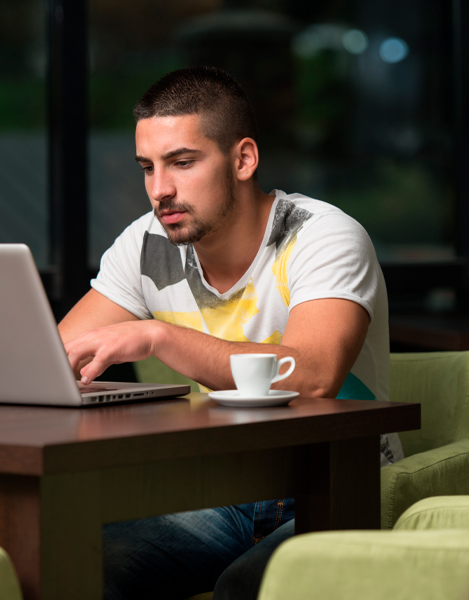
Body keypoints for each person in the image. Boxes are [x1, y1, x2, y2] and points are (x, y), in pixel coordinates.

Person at [58, 66, 404, 600]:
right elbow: (54, 358)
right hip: (222, 486)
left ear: (244, 159)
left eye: (182, 163)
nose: (159, 190)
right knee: (87, 568)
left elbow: (312, 376)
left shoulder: (322, 236)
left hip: (337, 481)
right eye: (147, 168)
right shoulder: (146, 244)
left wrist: (158, 337)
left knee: (249, 585)